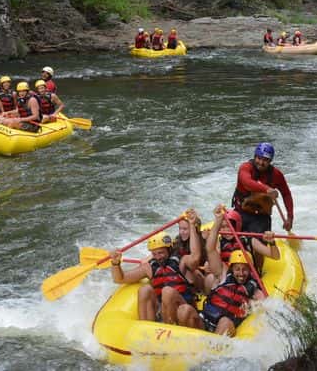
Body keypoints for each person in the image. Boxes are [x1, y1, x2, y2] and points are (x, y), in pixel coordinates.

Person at [177, 205, 274, 336]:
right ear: (232, 268)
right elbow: (210, 249)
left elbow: (265, 305)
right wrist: (218, 220)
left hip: (226, 323)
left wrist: (252, 305)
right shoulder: (224, 274)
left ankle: (211, 348)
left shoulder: (254, 287)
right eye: (237, 269)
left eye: (244, 269)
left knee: (225, 321)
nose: (241, 273)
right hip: (207, 319)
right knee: (184, 309)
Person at [110, 209, 202, 325]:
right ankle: (145, 327)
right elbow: (120, 279)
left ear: (169, 249)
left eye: (161, 253)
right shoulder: (149, 267)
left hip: (184, 311)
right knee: (145, 290)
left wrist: (192, 225)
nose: (158, 257)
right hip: (164, 312)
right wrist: (115, 263)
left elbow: (195, 257)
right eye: (154, 254)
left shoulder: (181, 261)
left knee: (167, 291)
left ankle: (171, 327)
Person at [231, 142, 294, 234]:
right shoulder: (245, 168)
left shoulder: (276, 175)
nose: (261, 162)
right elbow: (247, 183)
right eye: (259, 158)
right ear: (255, 157)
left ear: (270, 161)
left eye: (265, 160)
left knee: (255, 239)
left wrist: (290, 217)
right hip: (241, 212)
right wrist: (267, 189)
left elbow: (286, 194)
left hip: (261, 216)